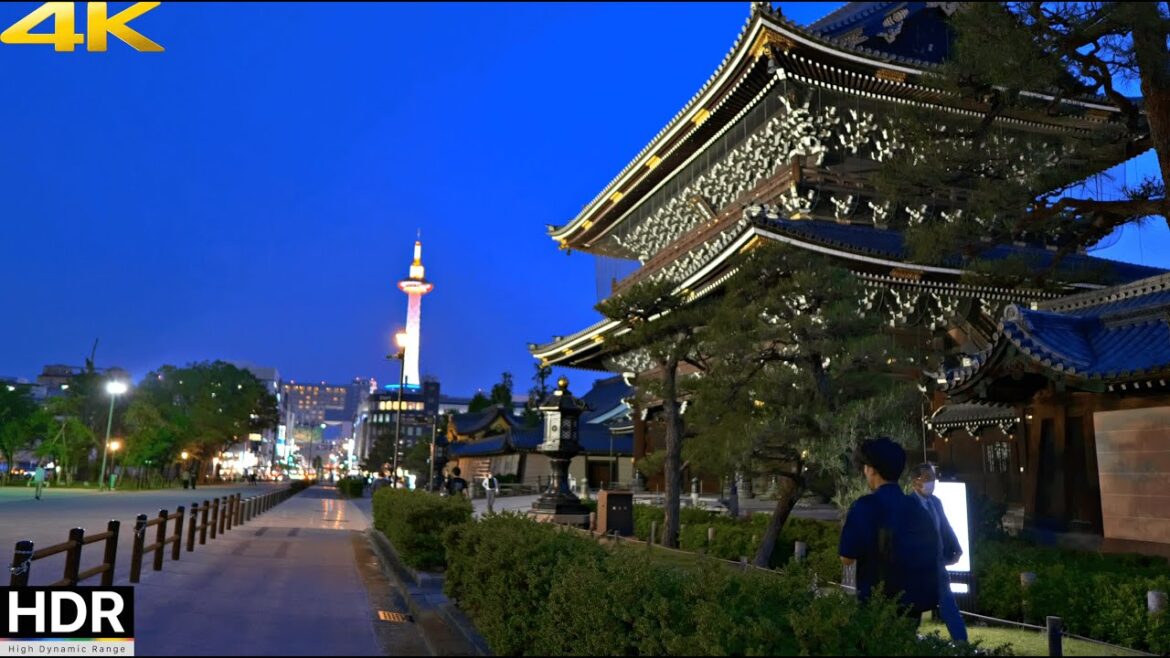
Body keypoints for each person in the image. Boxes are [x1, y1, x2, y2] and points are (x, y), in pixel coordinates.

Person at [839, 437, 939, 620]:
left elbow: (847, 557)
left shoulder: (865, 507)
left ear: (871, 469)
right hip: (912, 603)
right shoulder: (916, 508)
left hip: (876, 601)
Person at [910, 463, 968, 642]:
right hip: (918, 568)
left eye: (933, 478)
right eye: (927, 478)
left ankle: (962, 645)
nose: (931, 482)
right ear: (915, 481)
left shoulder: (936, 502)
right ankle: (906, 643)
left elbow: (945, 526)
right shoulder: (908, 505)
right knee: (913, 608)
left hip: (938, 564)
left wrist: (956, 548)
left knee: (949, 606)